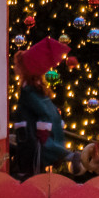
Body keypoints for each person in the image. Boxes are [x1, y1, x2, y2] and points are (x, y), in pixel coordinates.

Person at [11, 37, 82, 176]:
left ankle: (69, 156)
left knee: (31, 171)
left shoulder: (29, 91)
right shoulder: (33, 89)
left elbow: (43, 112)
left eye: (17, 66)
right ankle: (68, 156)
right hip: (29, 137)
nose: (15, 68)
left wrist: (42, 133)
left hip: (31, 140)